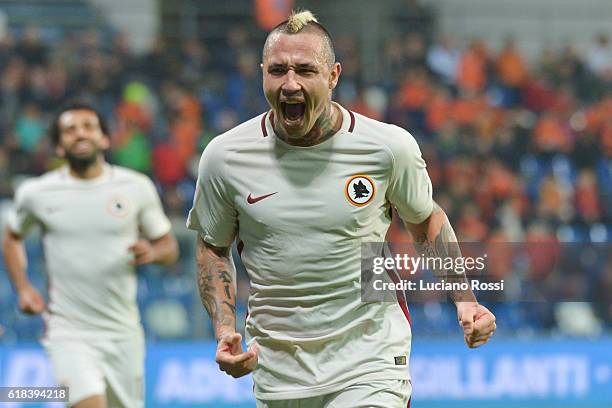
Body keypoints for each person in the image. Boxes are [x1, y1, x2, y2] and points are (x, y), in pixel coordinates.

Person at [187, 10, 496, 407]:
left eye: (305, 70)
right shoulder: (225, 156)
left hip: (371, 359)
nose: (290, 84)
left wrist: (466, 300)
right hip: (279, 371)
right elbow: (212, 247)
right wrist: (224, 328)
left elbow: (426, 221)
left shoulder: (387, 147)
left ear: (333, 76)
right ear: (261, 72)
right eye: (278, 70)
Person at [2, 101, 179, 408]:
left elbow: (169, 247)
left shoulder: (135, 187)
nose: (80, 134)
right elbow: (12, 237)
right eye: (69, 130)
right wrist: (23, 287)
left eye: (88, 127)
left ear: (105, 138)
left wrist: (152, 252)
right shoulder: (37, 193)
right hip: (67, 331)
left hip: (123, 332)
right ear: (59, 146)